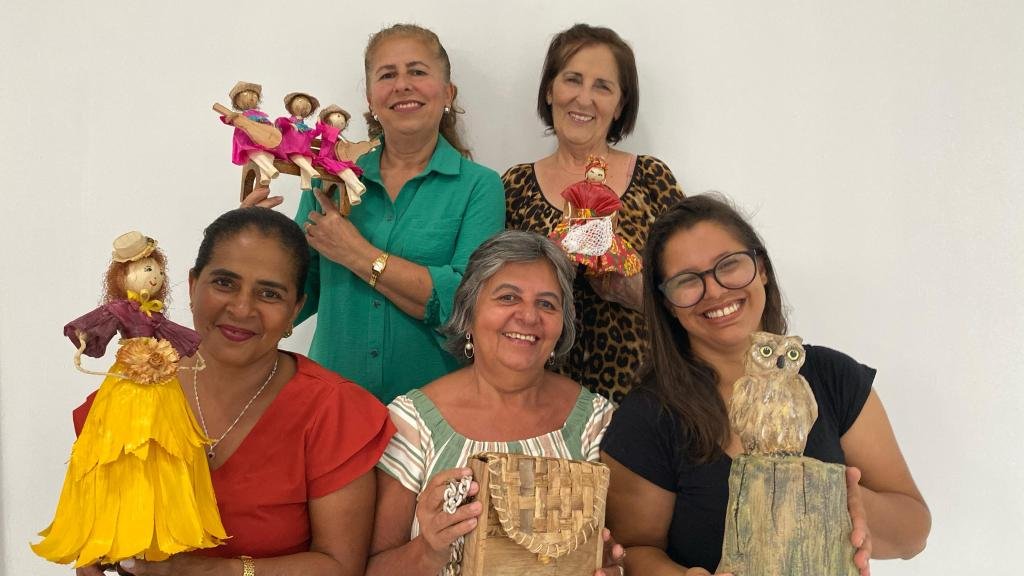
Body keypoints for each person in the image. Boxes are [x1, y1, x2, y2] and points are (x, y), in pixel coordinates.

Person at [600, 195, 931, 575]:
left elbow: (914, 534)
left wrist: (844, 503)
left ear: (761, 269)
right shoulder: (647, 415)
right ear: (668, 304)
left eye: (729, 264)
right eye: (687, 281)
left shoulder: (833, 377)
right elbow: (631, 551)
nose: (715, 291)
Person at [71, 208, 395, 576]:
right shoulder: (131, 391)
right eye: (225, 283)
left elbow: (339, 567)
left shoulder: (333, 411)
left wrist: (207, 572)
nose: (242, 308)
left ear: (295, 310)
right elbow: (97, 534)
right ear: (193, 286)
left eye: (269, 293)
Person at [249, 23, 505, 404]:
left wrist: (357, 254)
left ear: (447, 92)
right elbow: (296, 293)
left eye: (417, 71)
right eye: (387, 75)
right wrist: (250, 247)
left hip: (436, 413)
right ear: (371, 99)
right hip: (332, 405)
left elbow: (466, 306)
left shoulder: (480, 187)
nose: (402, 85)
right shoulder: (327, 176)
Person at [367, 230, 621, 576]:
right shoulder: (412, 424)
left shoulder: (596, 422)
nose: (528, 317)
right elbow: (371, 568)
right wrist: (428, 550)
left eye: (547, 304)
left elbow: (624, 551)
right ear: (469, 312)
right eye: (508, 297)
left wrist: (612, 565)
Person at [504, 23, 685, 402]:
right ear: (550, 90)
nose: (584, 98)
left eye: (602, 86)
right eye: (572, 80)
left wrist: (637, 292)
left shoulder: (653, 178)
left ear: (619, 105)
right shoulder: (513, 187)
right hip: (538, 397)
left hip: (643, 397)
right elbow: (494, 295)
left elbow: (692, 290)